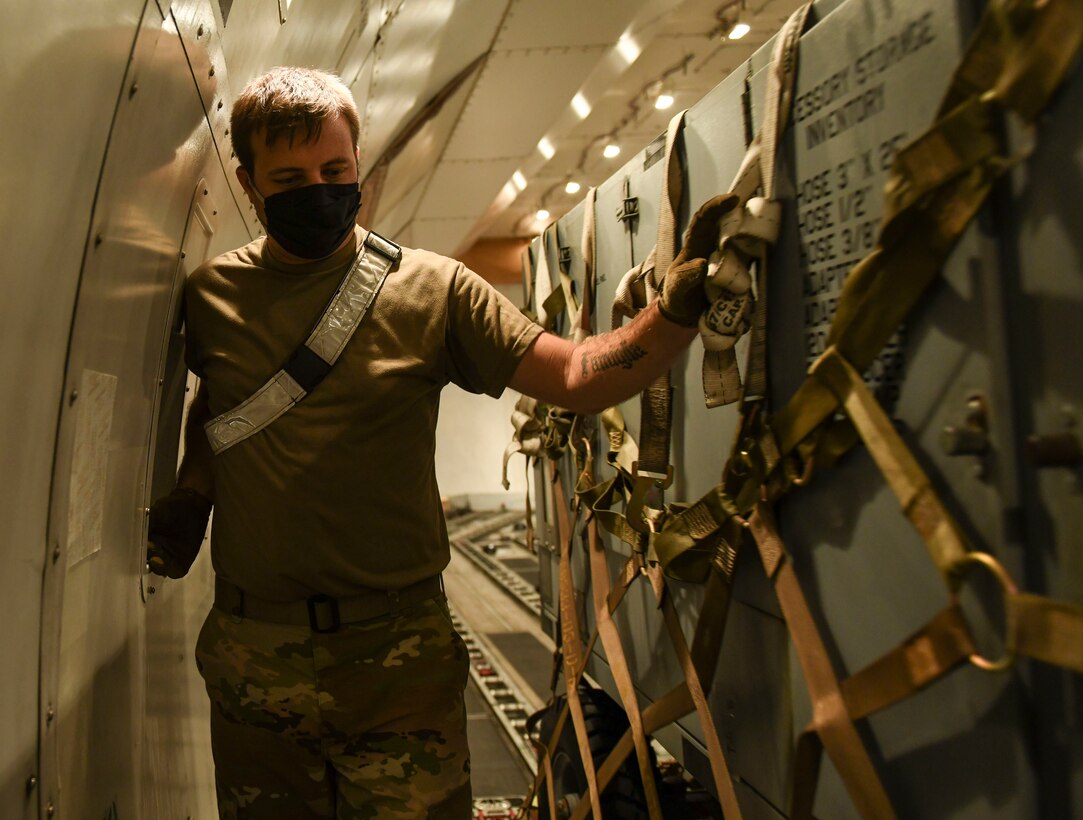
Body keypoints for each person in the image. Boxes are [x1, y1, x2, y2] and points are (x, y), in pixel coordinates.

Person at [147, 66, 736, 819]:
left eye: (336, 170)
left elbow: (575, 375)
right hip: (252, 658)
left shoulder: (434, 290)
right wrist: (194, 492)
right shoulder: (211, 298)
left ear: (361, 166)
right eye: (290, 177)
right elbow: (220, 409)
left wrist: (674, 311)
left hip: (398, 661)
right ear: (248, 181)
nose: (318, 190)